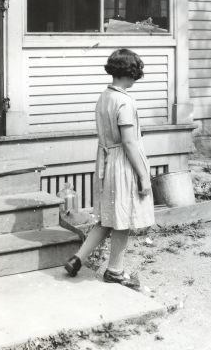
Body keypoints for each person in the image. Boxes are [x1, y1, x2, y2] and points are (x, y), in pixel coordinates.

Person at [64, 48, 154, 287]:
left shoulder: (104, 96)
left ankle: (77, 259)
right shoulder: (124, 101)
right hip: (121, 164)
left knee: (107, 218)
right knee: (122, 218)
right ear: (130, 73)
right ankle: (115, 270)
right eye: (137, 72)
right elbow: (128, 141)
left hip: (105, 161)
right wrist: (144, 175)